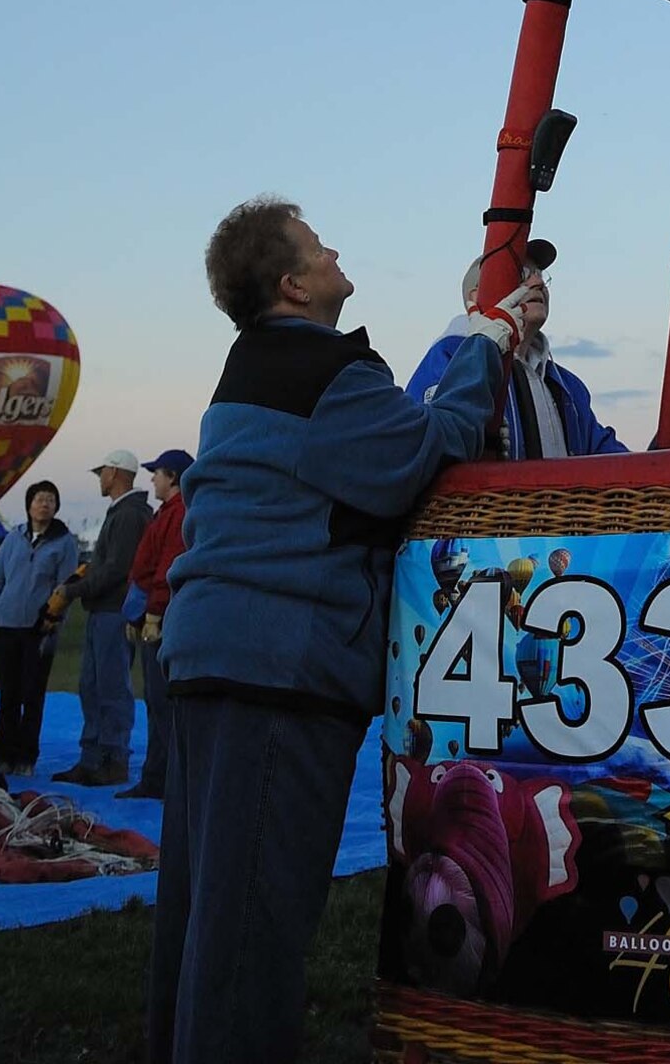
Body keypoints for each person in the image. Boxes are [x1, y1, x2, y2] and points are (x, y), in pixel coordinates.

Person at [150, 196, 524, 1064]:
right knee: (254, 924)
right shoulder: (327, 374)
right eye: (319, 248)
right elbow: (427, 447)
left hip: (209, 658)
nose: (335, 253)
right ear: (293, 284)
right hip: (280, 669)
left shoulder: (248, 369)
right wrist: (484, 344)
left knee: (202, 909)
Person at [407, 239, 626, 458]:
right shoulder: (448, 358)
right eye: (522, 274)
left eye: (540, 274)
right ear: (476, 297)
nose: (538, 281)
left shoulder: (567, 385)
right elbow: (423, 446)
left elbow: (609, 457)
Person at [48, 450, 152, 788]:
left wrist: (72, 590)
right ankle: (92, 758)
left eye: (102, 472)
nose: (100, 479)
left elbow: (117, 569)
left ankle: (113, 759)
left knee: (110, 687)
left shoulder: (128, 515)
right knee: (91, 686)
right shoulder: (123, 513)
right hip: (103, 610)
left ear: (115, 472)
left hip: (113, 610)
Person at [0, 480, 77, 775]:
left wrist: (53, 627)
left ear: (56, 506)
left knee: (32, 695)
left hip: (39, 629)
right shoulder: (12, 539)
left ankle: (26, 757)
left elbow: (66, 590)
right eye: (38, 499)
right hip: (7, 624)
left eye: (50, 499)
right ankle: (3, 755)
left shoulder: (64, 542)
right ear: (28, 505)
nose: (44, 504)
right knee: (8, 695)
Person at [117, 449, 192, 801]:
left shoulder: (177, 514)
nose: (152, 480)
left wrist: (154, 613)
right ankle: (157, 775)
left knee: (162, 703)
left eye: (157, 473)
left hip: (161, 619)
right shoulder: (166, 513)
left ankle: (164, 779)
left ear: (173, 476)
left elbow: (167, 566)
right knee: (155, 701)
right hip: (151, 609)